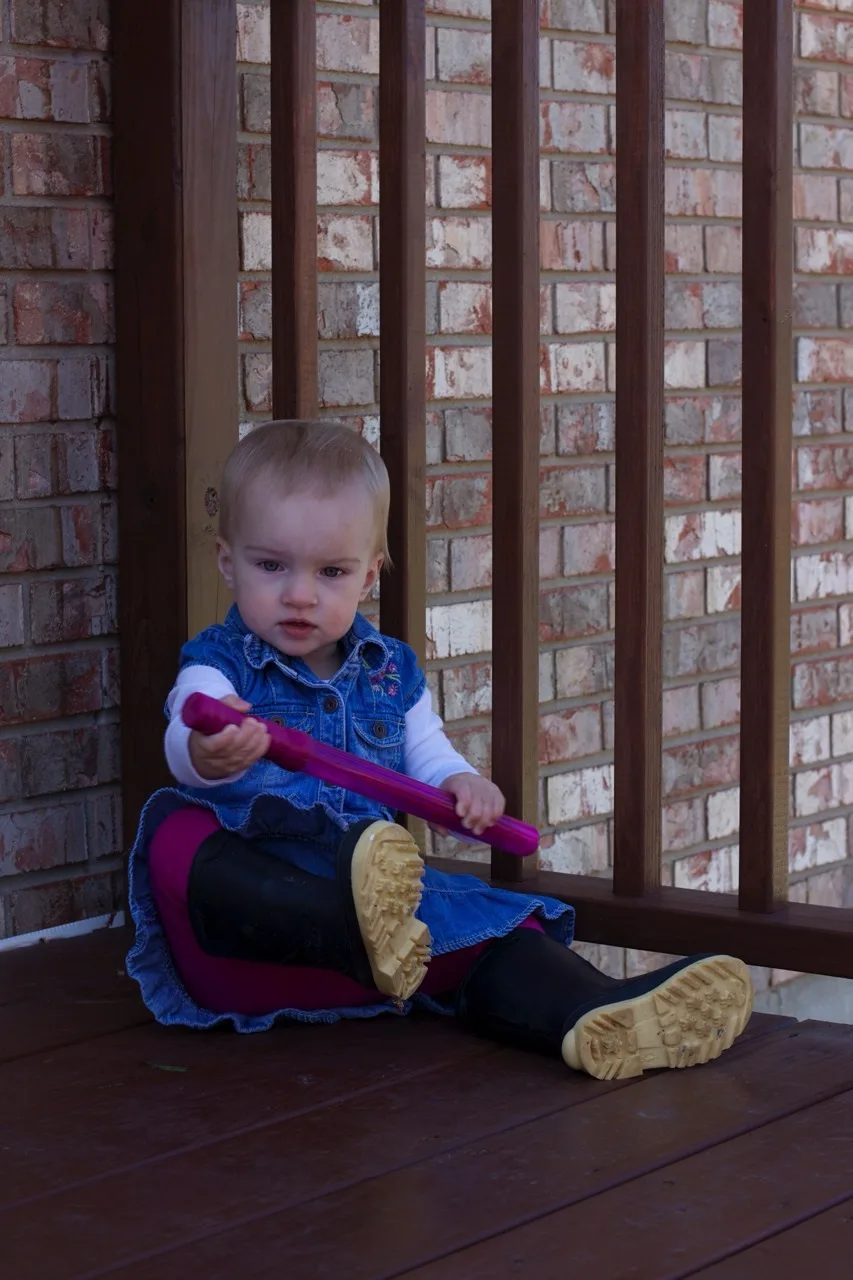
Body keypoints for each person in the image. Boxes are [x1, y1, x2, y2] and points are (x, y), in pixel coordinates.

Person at [126, 419, 753, 1080]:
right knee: (175, 828)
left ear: (368, 575)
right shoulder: (220, 664)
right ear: (228, 561)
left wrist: (461, 783)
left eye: (331, 571)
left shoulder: (389, 673)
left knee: (489, 925)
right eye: (271, 565)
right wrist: (204, 751)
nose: (300, 593)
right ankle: (352, 931)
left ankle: (589, 1013)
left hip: (378, 951)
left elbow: (428, 755)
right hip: (250, 944)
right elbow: (184, 721)